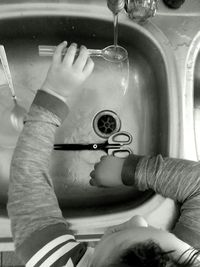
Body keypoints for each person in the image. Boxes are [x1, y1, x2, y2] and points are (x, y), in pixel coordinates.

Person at [7, 41, 200, 267]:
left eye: (117, 238)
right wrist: (130, 169)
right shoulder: (185, 260)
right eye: (158, 231)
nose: (138, 219)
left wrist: (54, 92)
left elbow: (27, 181)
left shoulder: (53, 261)